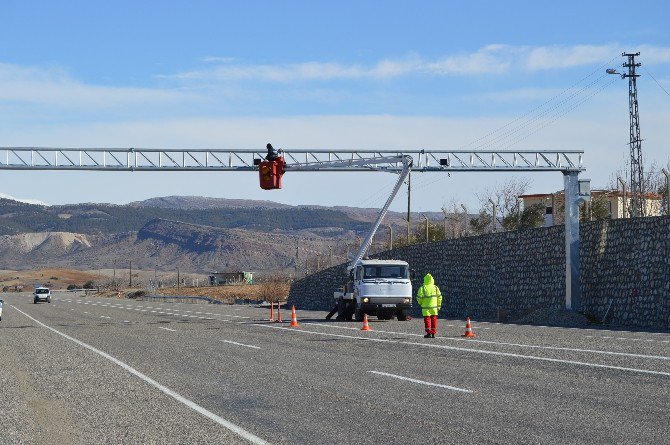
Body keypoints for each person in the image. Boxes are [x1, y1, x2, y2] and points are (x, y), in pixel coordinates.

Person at [416, 273, 442, 338]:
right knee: (434, 319)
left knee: (427, 320)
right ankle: (433, 333)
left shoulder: (422, 288)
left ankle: (428, 333)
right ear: (432, 280)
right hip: (434, 307)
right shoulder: (436, 288)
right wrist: (438, 305)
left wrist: (420, 303)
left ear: (425, 280)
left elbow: (419, 298)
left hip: (425, 307)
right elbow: (440, 297)